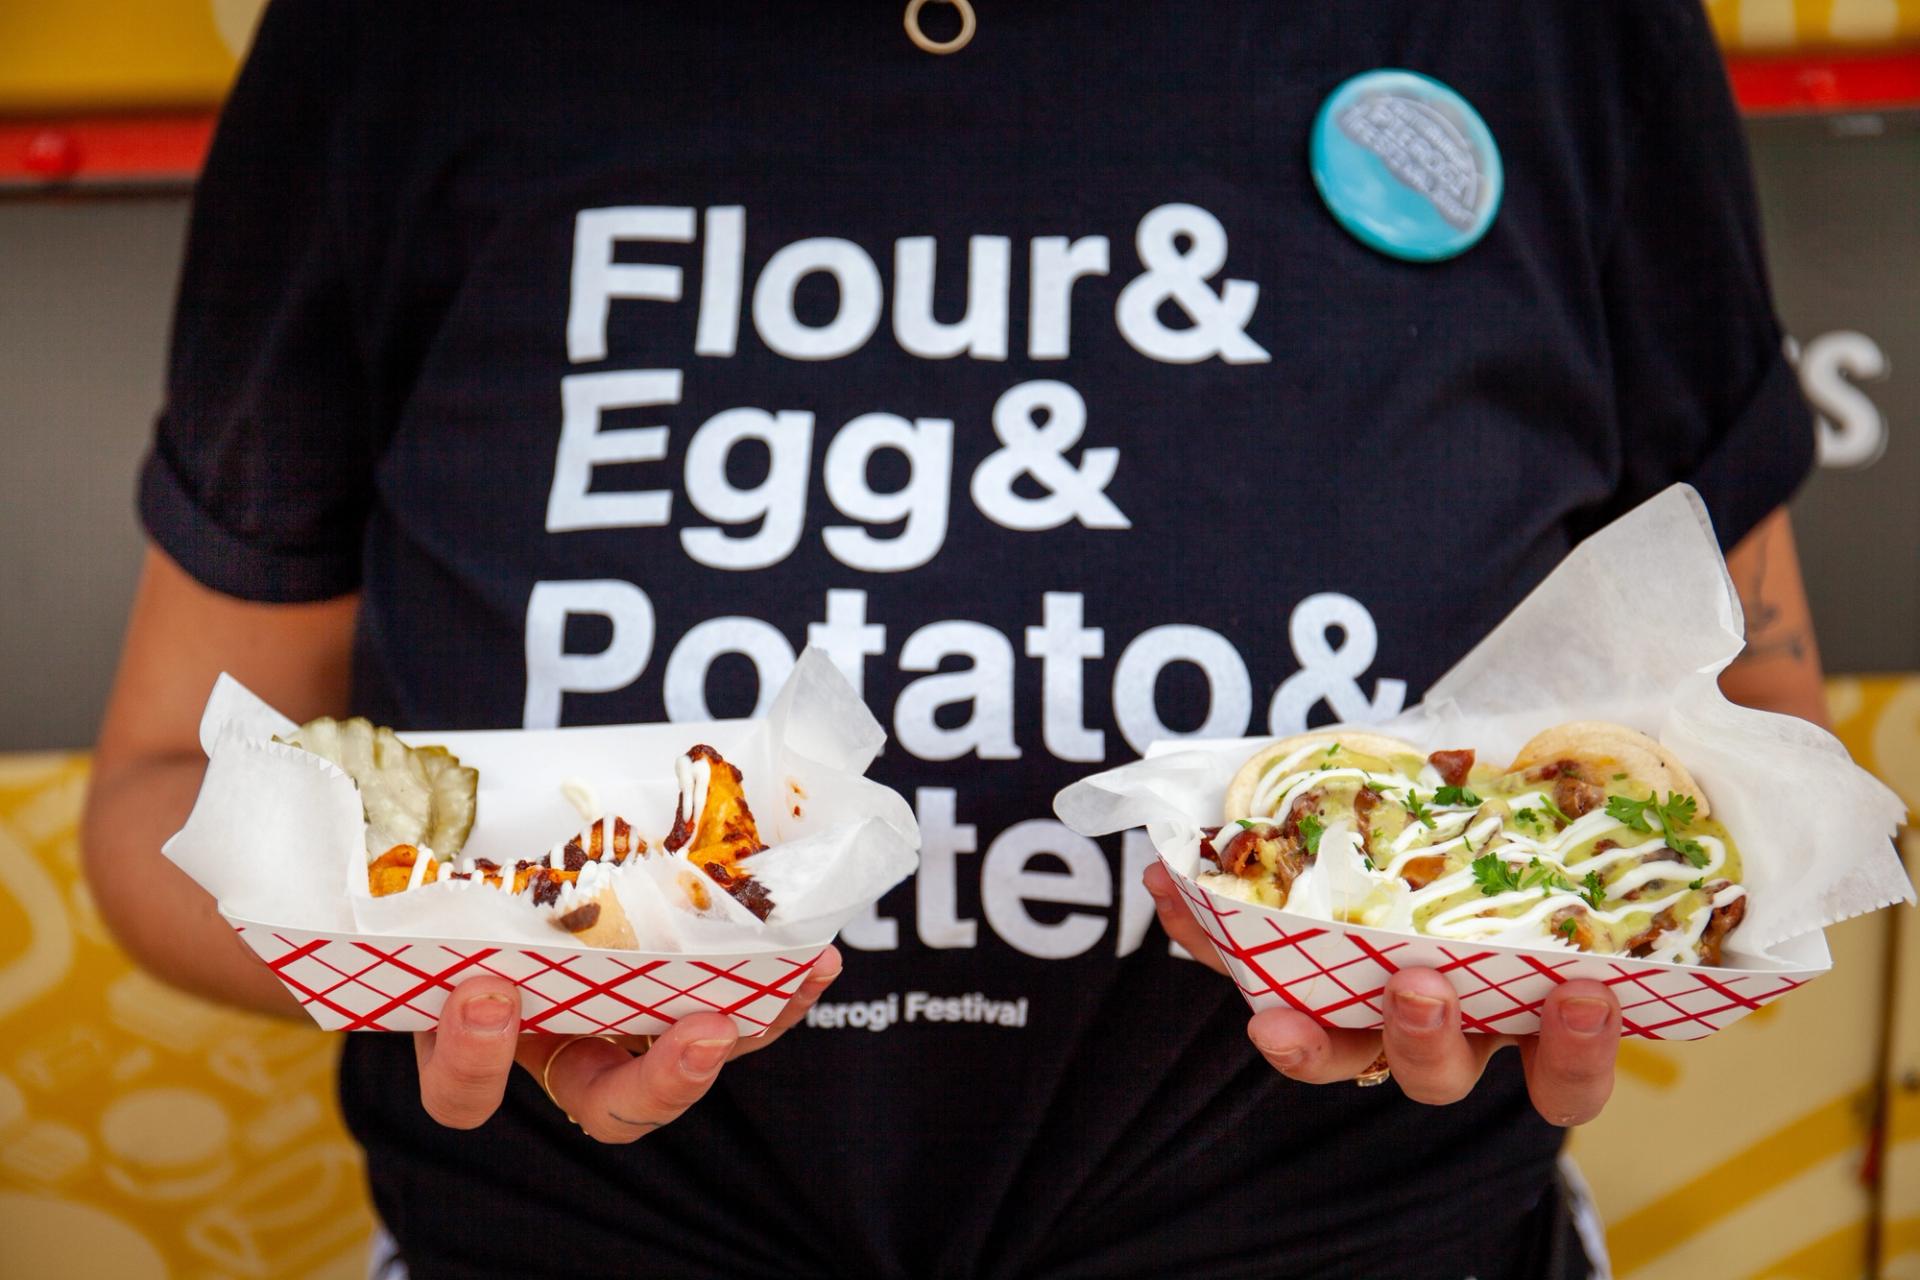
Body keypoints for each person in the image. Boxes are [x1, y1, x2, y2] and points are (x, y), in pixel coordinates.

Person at [84, 2, 1828, 1276]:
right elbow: (167, 786)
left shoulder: (1554, 30)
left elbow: (1757, 724)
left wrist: (1517, 957)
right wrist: (465, 961)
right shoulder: (402, 43)